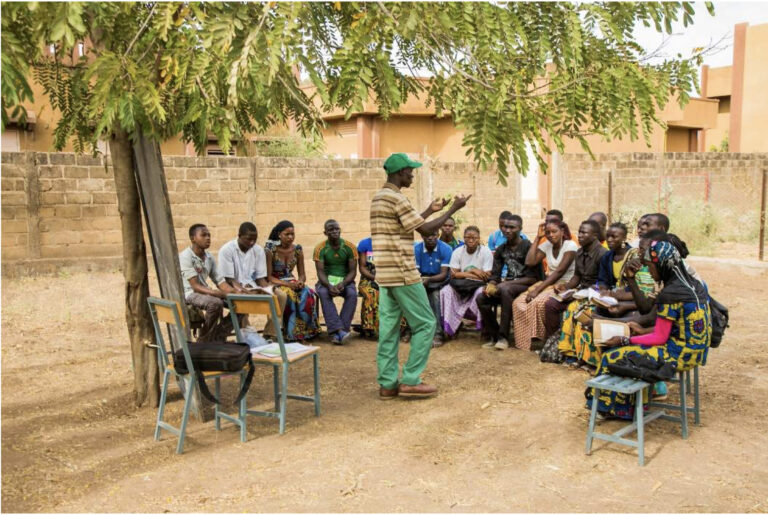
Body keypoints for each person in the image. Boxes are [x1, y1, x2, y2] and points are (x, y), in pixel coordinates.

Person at [371, 152, 470, 399]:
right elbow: (424, 230)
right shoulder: (398, 198)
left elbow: (408, 224)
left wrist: (431, 209)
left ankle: (387, 383)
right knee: (426, 324)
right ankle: (411, 379)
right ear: (400, 172)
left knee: (389, 330)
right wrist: (453, 210)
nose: (412, 175)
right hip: (404, 272)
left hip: (385, 275)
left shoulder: (380, 198)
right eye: (410, 171)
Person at [586, 239, 711, 420]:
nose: (650, 273)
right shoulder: (693, 286)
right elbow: (676, 326)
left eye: (651, 267)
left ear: (662, 266)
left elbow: (660, 338)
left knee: (611, 355)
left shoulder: (671, 294)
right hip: (697, 352)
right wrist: (643, 332)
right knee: (629, 351)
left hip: (677, 355)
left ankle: (610, 409)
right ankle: (633, 403)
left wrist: (625, 340)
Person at [512, 220, 578, 350]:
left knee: (538, 302)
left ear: (562, 231)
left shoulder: (570, 246)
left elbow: (559, 272)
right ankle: (524, 342)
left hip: (565, 285)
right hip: (549, 284)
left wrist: (537, 290)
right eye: (547, 232)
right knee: (518, 303)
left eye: (554, 231)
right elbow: (530, 262)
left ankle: (545, 340)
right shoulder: (547, 245)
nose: (551, 235)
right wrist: (538, 238)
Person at [477, 214, 538, 350]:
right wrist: (491, 284)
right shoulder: (501, 249)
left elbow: (534, 277)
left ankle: (503, 337)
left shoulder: (528, 247)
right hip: (509, 286)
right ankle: (495, 335)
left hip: (528, 285)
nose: (507, 230)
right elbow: (496, 275)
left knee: (505, 290)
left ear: (520, 228)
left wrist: (505, 284)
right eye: (505, 227)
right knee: (482, 298)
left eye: (512, 227)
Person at [217, 221, 287, 339]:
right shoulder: (227, 250)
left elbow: (260, 278)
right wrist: (244, 290)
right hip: (233, 287)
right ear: (239, 236)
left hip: (252, 286)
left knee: (280, 295)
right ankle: (246, 338)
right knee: (242, 298)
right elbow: (229, 280)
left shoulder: (258, 250)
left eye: (254, 239)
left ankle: (270, 334)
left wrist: (268, 288)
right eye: (248, 239)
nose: (252, 242)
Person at [544, 219, 607, 340]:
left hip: (596, 295)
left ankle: (570, 344)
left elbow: (603, 284)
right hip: (580, 292)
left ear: (595, 236)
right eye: (579, 232)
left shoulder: (603, 254)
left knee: (573, 308)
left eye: (584, 233)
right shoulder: (579, 252)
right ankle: (553, 342)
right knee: (551, 305)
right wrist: (566, 287)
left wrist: (577, 294)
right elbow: (577, 276)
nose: (580, 236)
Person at [264, 220, 320, 342]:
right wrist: (288, 284)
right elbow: (269, 277)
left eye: (292, 234)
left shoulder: (297, 250)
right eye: (287, 234)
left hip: (292, 281)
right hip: (276, 282)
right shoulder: (270, 250)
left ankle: (305, 332)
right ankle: (289, 334)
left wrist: (300, 282)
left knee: (308, 294)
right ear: (279, 234)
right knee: (290, 295)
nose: (290, 237)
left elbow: (302, 274)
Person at [179, 224, 233, 343]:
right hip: (190, 293)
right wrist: (218, 293)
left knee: (241, 304)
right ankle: (203, 341)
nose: (208, 238)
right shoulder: (185, 256)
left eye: (209, 235)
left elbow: (221, 282)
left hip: (204, 292)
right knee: (215, 303)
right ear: (193, 238)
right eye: (203, 235)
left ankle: (218, 335)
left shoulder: (209, 257)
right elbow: (195, 286)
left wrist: (237, 293)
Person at [439, 226, 494, 340]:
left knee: (481, 293)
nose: (471, 240)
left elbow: (487, 276)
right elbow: (454, 274)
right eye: (467, 237)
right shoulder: (458, 252)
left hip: (477, 285)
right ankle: (452, 327)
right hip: (461, 285)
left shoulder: (486, 252)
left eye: (474, 238)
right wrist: (473, 271)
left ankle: (483, 327)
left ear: (479, 239)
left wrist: (463, 274)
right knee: (445, 291)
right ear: (463, 238)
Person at [313, 220, 358, 345]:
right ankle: (338, 331)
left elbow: (353, 271)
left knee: (352, 294)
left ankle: (340, 331)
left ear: (340, 230)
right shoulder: (320, 248)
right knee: (323, 292)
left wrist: (343, 283)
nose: (334, 232)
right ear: (325, 232)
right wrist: (328, 285)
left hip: (345, 281)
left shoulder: (350, 247)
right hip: (326, 282)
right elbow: (320, 272)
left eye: (336, 229)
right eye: (331, 230)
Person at [413, 229, 453, 347]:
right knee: (410, 294)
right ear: (422, 236)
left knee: (435, 295)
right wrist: (422, 281)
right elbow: (416, 272)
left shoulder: (445, 249)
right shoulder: (417, 249)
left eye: (433, 235)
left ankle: (438, 333)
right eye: (427, 235)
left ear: (438, 235)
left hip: (440, 281)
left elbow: (444, 274)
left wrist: (429, 280)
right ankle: (414, 331)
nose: (430, 238)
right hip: (422, 280)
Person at [356, 236, 380, 338]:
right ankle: (368, 327)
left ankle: (381, 328)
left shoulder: (390, 242)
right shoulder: (365, 244)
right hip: (368, 279)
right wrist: (375, 278)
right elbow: (362, 268)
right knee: (371, 293)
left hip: (388, 277)